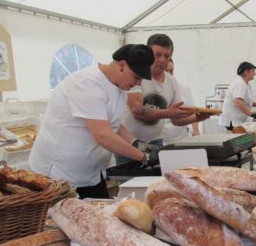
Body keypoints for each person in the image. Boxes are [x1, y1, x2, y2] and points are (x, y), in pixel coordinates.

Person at [29, 44, 156, 199]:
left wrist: (136, 143)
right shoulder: (87, 83)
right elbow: (103, 135)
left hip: (92, 174)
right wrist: (144, 157)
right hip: (59, 175)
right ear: (122, 65)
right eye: (137, 77)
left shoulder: (119, 89)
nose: (139, 83)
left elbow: (113, 124)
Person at [120, 34, 209, 153]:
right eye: (157, 55)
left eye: (167, 56)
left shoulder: (172, 82)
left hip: (156, 141)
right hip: (128, 142)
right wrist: (168, 112)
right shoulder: (137, 75)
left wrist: (196, 118)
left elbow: (176, 120)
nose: (162, 60)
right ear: (148, 53)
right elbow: (137, 111)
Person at [161, 59, 200, 145]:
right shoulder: (154, 89)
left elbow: (193, 111)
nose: (169, 74)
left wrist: (196, 132)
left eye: (171, 71)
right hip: (161, 141)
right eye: (165, 71)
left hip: (181, 138)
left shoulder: (183, 88)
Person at [219, 61, 256, 129]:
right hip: (232, 120)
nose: (255, 74)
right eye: (253, 71)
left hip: (238, 120)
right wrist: (251, 114)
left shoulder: (246, 84)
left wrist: (255, 104)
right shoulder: (240, 84)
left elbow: (243, 100)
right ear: (246, 72)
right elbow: (239, 102)